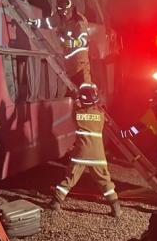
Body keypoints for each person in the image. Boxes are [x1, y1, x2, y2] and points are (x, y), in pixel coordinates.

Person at [50, 83, 122, 218]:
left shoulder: (77, 114)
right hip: (98, 155)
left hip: (81, 154)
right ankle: (116, 208)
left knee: (70, 178)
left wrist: (76, 99)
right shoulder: (100, 115)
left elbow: (76, 107)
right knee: (105, 181)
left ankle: (56, 202)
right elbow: (106, 119)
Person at [56, 0, 92, 86]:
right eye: (62, 12)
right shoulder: (65, 22)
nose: (64, 14)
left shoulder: (78, 21)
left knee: (84, 87)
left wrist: (74, 43)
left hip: (80, 64)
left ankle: (90, 98)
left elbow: (84, 40)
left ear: (71, 9)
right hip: (69, 64)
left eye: (66, 11)